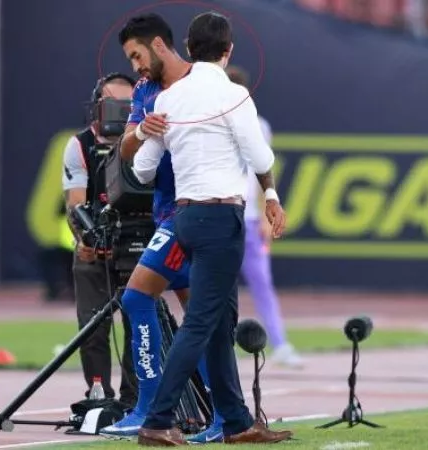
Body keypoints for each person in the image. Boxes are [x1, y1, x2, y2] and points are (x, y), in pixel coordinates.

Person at [131, 11, 293, 446]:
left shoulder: (167, 99)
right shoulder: (234, 94)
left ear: (188, 47)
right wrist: (271, 194)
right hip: (220, 218)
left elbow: (143, 170)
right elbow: (260, 157)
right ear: (228, 50)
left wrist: (145, 131)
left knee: (219, 322)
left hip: (184, 217)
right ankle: (158, 420)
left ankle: (236, 422)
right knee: (201, 322)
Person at [99, 13, 224, 442]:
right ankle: (224, 416)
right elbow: (126, 147)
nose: (135, 65)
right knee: (201, 318)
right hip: (170, 212)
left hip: (189, 215)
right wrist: (142, 131)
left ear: (157, 45)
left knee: (137, 299)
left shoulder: (202, 83)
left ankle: (150, 409)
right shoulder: (144, 90)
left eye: (136, 55)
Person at [61, 73, 138, 409]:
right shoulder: (79, 145)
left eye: (126, 106)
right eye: (112, 105)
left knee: (140, 328)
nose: (119, 113)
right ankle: (99, 397)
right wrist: (86, 239)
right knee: (92, 328)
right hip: (95, 246)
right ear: (97, 106)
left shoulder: (147, 141)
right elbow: (75, 203)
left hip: (136, 244)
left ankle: (136, 400)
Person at [226, 65, 305, 369]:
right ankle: (218, 346)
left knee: (262, 283)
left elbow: (263, 173)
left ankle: (280, 344)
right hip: (221, 215)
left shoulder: (259, 126)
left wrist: (263, 215)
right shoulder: (209, 124)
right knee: (215, 286)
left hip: (248, 218)